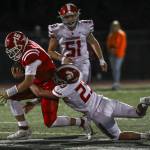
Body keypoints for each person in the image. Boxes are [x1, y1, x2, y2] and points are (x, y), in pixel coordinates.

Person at [0, 31, 92, 140]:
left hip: (49, 83)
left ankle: (82, 121)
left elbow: (28, 82)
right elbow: (31, 78)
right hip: (38, 80)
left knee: (50, 122)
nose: (13, 53)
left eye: (15, 49)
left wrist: (7, 92)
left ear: (22, 45)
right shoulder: (27, 47)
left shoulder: (30, 54)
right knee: (13, 98)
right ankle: (23, 129)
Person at [24, 64, 150, 140]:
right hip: (106, 102)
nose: (55, 79)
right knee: (138, 113)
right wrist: (35, 103)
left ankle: (145, 136)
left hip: (99, 114)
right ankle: (144, 103)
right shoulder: (77, 76)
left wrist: (28, 80)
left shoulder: (64, 89)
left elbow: (40, 93)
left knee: (117, 136)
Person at [48, 3, 107, 83]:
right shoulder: (57, 30)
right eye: (67, 17)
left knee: (83, 88)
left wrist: (101, 59)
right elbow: (50, 51)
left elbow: (93, 43)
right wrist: (62, 58)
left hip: (83, 62)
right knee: (70, 91)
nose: (70, 19)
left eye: (72, 16)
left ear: (77, 15)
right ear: (62, 17)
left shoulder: (84, 26)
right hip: (67, 64)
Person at [107, 20, 127, 90]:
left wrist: (115, 51)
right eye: (113, 26)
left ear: (118, 26)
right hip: (112, 55)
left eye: (116, 26)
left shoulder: (122, 34)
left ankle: (116, 83)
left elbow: (122, 46)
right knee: (114, 69)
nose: (114, 27)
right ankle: (115, 83)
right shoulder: (111, 34)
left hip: (119, 55)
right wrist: (111, 50)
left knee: (117, 69)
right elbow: (109, 44)